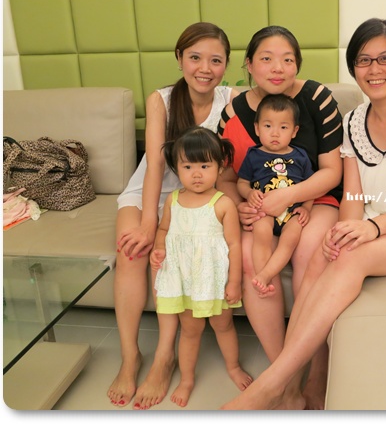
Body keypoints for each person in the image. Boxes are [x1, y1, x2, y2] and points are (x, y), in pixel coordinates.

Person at [221, 18, 386, 410]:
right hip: (374, 222)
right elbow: (352, 194)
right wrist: (347, 228)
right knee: (324, 252)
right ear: (354, 67)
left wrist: (371, 228)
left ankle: (273, 387)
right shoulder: (354, 121)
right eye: (364, 60)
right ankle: (301, 384)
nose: (375, 69)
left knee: (351, 256)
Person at [107, 22, 238, 409]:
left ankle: (165, 356)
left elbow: (230, 166)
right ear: (179, 58)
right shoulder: (161, 100)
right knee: (131, 251)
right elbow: (153, 167)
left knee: (167, 258)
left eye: (215, 60)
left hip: (201, 193)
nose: (205, 68)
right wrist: (150, 223)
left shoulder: (232, 100)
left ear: (227, 64)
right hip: (152, 190)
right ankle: (130, 357)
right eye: (195, 57)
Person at [217, 25, 343, 409]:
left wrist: (289, 196)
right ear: (248, 64)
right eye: (267, 59)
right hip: (260, 207)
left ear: (297, 65)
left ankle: (317, 373)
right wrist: (239, 202)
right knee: (246, 255)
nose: (278, 68)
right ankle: (284, 380)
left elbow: (331, 171)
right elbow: (225, 178)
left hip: (313, 200)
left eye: (288, 60)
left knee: (308, 250)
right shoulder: (233, 113)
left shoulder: (317, 97)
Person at [149, 126, 252, 408]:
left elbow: (234, 245)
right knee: (190, 331)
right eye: (188, 166)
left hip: (214, 281)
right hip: (185, 280)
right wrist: (158, 249)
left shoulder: (223, 204)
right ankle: (186, 379)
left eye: (205, 166)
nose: (196, 174)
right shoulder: (173, 200)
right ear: (176, 168)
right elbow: (164, 230)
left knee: (223, 326)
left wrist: (234, 282)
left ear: (220, 167)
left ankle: (233, 367)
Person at [237, 94, 314, 295]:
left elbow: (310, 186)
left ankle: (266, 275)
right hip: (264, 211)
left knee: (291, 239)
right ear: (257, 128)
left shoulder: (301, 156)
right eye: (268, 126)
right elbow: (242, 182)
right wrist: (249, 193)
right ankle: (262, 276)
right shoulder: (253, 155)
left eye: (283, 127)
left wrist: (306, 208)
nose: (275, 133)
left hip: (292, 213)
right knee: (261, 233)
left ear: (294, 131)